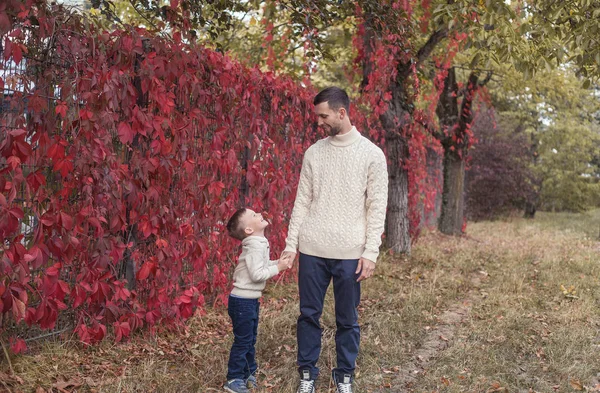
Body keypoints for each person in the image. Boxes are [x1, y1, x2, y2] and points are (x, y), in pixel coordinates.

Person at [280, 86, 389, 393]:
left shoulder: (372, 154)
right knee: (308, 316)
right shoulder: (314, 153)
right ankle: (307, 376)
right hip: (313, 249)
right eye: (318, 116)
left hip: (350, 252)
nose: (319, 122)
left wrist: (371, 252)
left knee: (347, 320)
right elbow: (302, 201)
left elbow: (376, 206)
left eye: (323, 116)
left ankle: (344, 377)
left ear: (342, 113)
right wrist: (291, 245)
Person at [223, 208, 292, 393]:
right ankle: (234, 378)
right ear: (248, 230)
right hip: (242, 302)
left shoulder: (258, 242)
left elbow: (261, 265)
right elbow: (256, 274)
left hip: (249, 300)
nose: (259, 214)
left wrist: (278, 262)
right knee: (243, 341)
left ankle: (248, 373)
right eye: (254, 215)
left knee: (250, 338)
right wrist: (278, 267)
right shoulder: (254, 245)